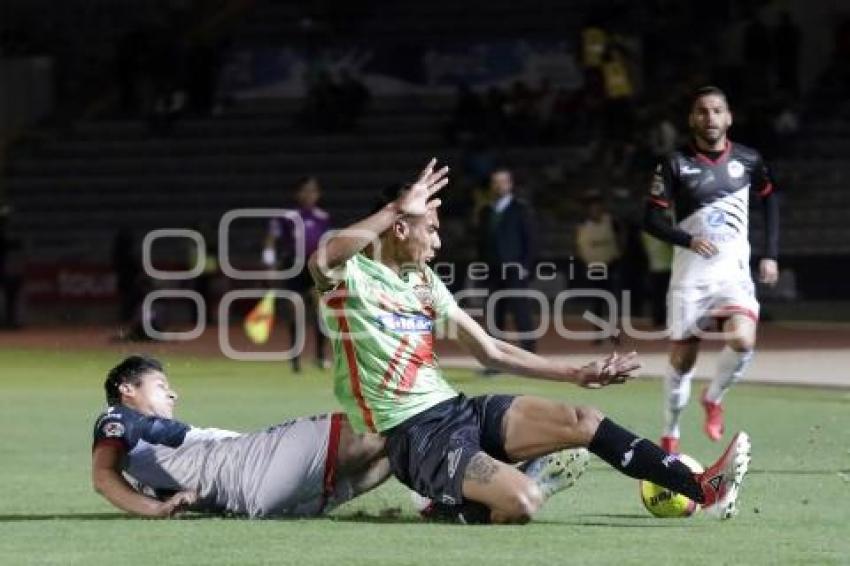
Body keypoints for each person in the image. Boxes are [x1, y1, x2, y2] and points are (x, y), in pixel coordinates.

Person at [309, 158, 752, 524]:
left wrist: (577, 374)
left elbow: (491, 349)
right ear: (401, 228)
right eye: (432, 228)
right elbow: (321, 259)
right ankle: (447, 506)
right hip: (413, 436)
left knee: (583, 420)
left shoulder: (423, 280)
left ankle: (703, 488)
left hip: (456, 409)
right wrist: (396, 208)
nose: (439, 241)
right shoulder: (351, 277)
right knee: (521, 502)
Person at [643, 86, 780, 454]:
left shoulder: (749, 160)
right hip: (691, 278)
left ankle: (714, 397)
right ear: (692, 119)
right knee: (682, 361)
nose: (710, 118)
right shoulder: (674, 164)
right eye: (702, 111)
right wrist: (686, 240)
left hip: (733, 275)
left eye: (717, 110)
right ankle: (670, 433)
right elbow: (650, 219)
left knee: (743, 340)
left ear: (728, 117)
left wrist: (770, 254)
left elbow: (770, 201)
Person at [91, 355, 388, 518]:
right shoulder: (116, 416)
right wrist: (156, 510)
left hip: (256, 498)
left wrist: (160, 502)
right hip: (256, 462)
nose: (172, 392)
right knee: (385, 420)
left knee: (392, 450)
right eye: (160, 385)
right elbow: (103, 476)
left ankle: (431, 497)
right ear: (127, 389)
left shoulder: (151, 470)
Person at [263, 176, 332, 371]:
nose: (310, 195)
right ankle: (295, 359)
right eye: (306, 190)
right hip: (293, 266)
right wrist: (269, 265)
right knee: (296, 312)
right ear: (297, 193)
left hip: (315, 267)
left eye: (313, 191)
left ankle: (320, 356)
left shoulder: (323, 217)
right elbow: (270, 240)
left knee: (321, 312)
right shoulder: (287, 217)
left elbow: (327, 243)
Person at [476, 167, 537, 357]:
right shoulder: (485, 211)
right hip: (492, 270)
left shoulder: (521, 209)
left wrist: (526, 267)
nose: (499, 185)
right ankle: (495, 359)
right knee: (494, 315)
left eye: (503, 181)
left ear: (510, 185)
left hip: (515, 269)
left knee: (521, 313)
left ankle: (529, 356)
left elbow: (531, 240)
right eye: (495, 182)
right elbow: (481, 243)